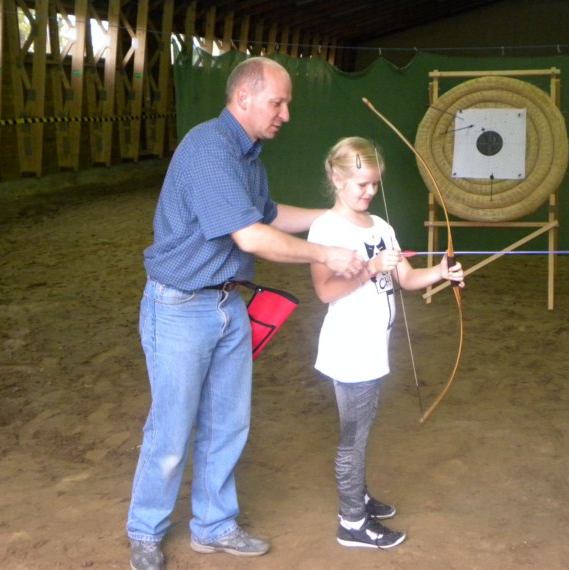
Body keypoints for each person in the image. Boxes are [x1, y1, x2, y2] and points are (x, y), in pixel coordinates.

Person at [126, 57, 365, 570]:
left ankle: (214, 526)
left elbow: (269, 214)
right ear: (244, 98)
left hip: (228, 303)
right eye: (278, 103)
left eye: (287, 104)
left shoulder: (247, 153)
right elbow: (253, 236)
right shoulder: (210, 148)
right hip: (180, 307)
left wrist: (335, 216)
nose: (285, 114)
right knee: (171, 430)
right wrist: (326, 252)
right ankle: (145, 531)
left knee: (227, 423)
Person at [307, 137, 465, 549]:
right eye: (361, 184)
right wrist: (371, 268)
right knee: (354, 437)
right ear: (336, 178)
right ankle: (352, 522)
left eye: (375, 184)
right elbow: (325, 291)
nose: (370, 191)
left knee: (363, 427)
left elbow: (407, 279)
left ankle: (357, 497)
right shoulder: (326, 229)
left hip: (374, 348)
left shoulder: (381, 227)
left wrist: (441, 273)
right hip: (349, 349)